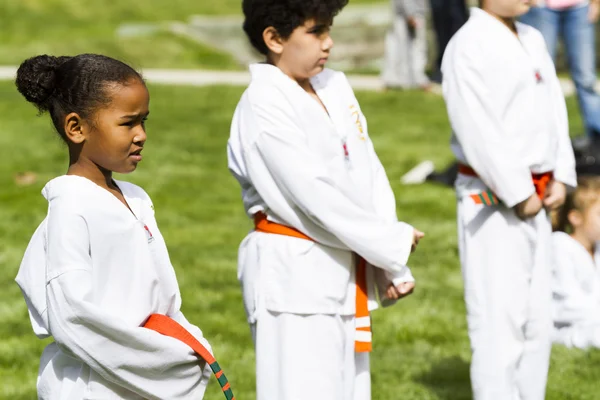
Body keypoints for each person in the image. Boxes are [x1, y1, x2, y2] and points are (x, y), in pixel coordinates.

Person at [227, 0, 425, 398]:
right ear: (274, 38)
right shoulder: (262, 103)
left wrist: (387, 260)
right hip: (294, 283)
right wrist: (390, 245)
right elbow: (312, 195)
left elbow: (367, 171)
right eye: (316, 32)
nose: (328, 43)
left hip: (344, 267)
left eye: (328, 29)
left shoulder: (333, 86)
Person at [14, 54, 213, 399]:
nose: (141, 136)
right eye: (128, 123)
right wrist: (166, 361)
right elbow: (74, 319)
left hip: (145, 379)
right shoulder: (72, 209)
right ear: (76, 128)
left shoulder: (135, 199)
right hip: (94, 387)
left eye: (144, 122)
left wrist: (189, 345)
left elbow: (162, 300)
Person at [441, 0, 577, 398]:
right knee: (499, 321)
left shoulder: (532, 38)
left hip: (541, 191)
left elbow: (556, 113)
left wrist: (562, 176)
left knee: (538, 321)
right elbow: (479, 130)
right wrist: (519, 193)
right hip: (493, 201)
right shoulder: (467, 46)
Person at [520, 0, 600, 144]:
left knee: (586, 79)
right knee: (539, 79)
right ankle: (544, 140)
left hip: (580, 7)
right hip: (541, 7)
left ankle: (597, 139)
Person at [551, 176, 600, 349]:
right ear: (576, 218)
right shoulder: (559, 245)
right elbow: (567, 304)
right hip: (567, 329)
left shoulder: (597, 248)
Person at [381, 0, 431, 90]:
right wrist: (411, 13)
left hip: (407, 12)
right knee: (414, 48)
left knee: (401, 47)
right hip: (411, 13)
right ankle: (414, 80)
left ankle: (402, 80)